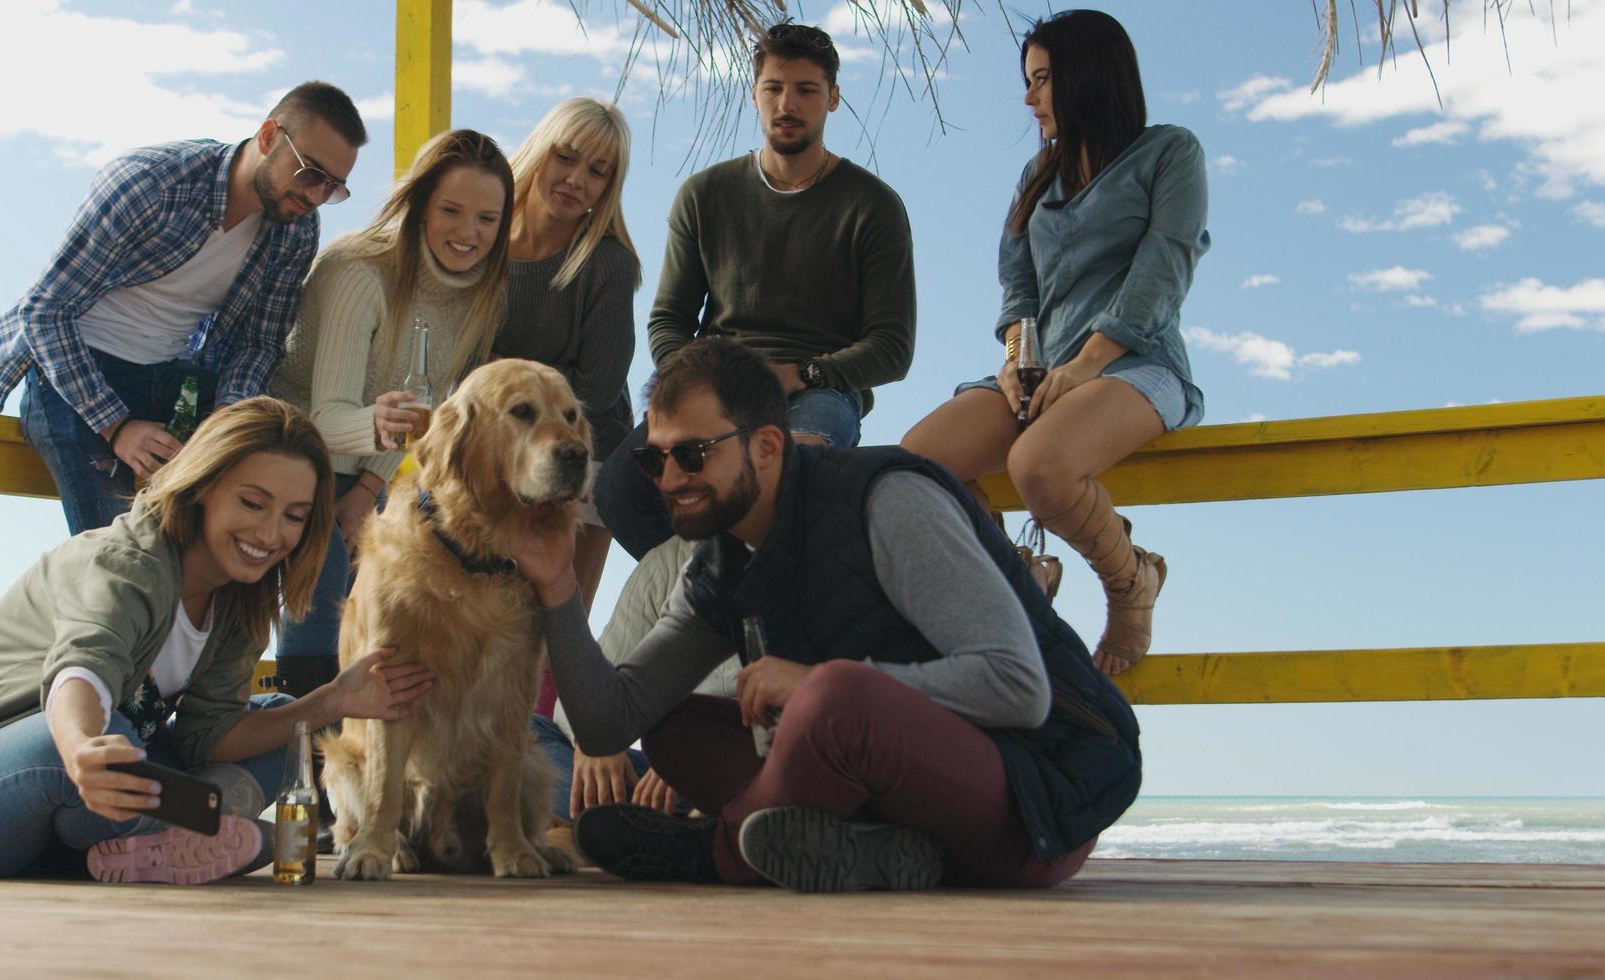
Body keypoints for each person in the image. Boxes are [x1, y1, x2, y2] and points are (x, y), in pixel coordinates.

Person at [514, 338, 1141, 893]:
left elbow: (1019, 687)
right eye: (656, 460)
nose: (670, 478)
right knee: (676, 726)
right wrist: (558, 587)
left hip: (1038, 804)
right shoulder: (718, 563)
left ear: (765, 445)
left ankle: (716, 853)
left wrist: (815, 685)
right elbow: (605, 725)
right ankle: (881, 856)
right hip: (899, 806)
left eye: (694, 454)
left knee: (836, 693)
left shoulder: (888, 503)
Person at [0, 398, 435, 883]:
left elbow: (209, 735)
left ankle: (161, 838)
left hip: (76, 814)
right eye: (253, 502)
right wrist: (85, 745)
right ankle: (207, 830)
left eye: (295, 517)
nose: (271, 533)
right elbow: (79, 673)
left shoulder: (240, 600)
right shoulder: (126, 561)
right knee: (74, 742)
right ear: (203, 487)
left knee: (284, 722)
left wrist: (331, 701)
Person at [900, 9, 1210, 676]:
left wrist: (1086, 364)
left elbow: (1162, 271)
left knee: (1038, 466)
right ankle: (1017, 577)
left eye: (1040, 79)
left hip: (1138, 364)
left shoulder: (1170, 153)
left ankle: (1131, 583)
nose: (1027, 96)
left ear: (1086, 78)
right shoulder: (1036, 175)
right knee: (916, 468)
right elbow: (1017, 287)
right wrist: (1016, 364)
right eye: (1028, 80)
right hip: (1043, 372)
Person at [0, 82, 367, 536]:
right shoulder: (151, 182)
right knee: (115, 556)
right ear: (269, 137)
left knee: (242, 504)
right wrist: (117, 426)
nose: (315, 196)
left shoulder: (296, 228)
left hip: (175, 380)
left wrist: (223, 428)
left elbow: (259, 344)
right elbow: (46, 312)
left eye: (333, 187)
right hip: (75, 375)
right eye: (310, 173)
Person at [592, 22, 917, 560]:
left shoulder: (873, 205)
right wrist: (700, 382)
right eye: (774, 88)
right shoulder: (705, 194)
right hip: (713, 383)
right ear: (754, 94)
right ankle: (718, 613)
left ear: (833, 99)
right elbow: (668, 320)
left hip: (817, 391)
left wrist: (801, 374)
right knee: (620, 491)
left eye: (806, 90)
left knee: (785, 490)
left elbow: (892, 347)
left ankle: (751, 617)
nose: (787, 104)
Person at [268, 129, 514, 700]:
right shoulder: (360, 273)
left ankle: (362, 766)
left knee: (382, 619)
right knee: (323, 594)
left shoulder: (483, 294)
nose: (468, 233)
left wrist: (371, 484)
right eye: (451, 210)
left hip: (365, 469)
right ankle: (304, 769)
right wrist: (368, 446)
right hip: (291, 452)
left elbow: (415, 407)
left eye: (486, 219)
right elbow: (322, 418)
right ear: (421, 204)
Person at [492, 97, 641, 615]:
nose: (577, 179)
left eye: (597, 172)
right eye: (566, 157)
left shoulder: (608, 264)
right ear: (540, 151)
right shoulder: (480, 243)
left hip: (587, 451)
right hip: (496, 449)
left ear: (608, 188)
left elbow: (597, 390)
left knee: (555, 624)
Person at [530, 536, 736, 823]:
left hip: (740, 764)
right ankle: (644, 829)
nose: (674, 489)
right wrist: (595, 742)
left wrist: (692, 758)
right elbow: (591, 692)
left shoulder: (795, 557)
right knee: (526, 737)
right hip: (655, 783)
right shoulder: (666, 563)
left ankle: (621, 831)